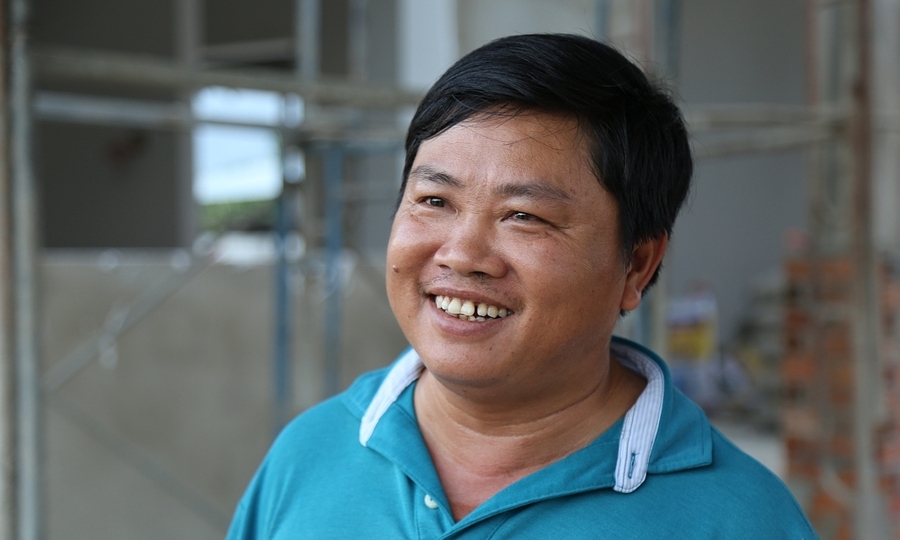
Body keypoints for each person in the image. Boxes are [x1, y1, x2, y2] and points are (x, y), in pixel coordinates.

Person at [227, 33, 818, 539]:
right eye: (434, 201)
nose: (462, 255)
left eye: (524, 216)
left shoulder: (737, 518)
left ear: (637, 264)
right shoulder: (312, 454)